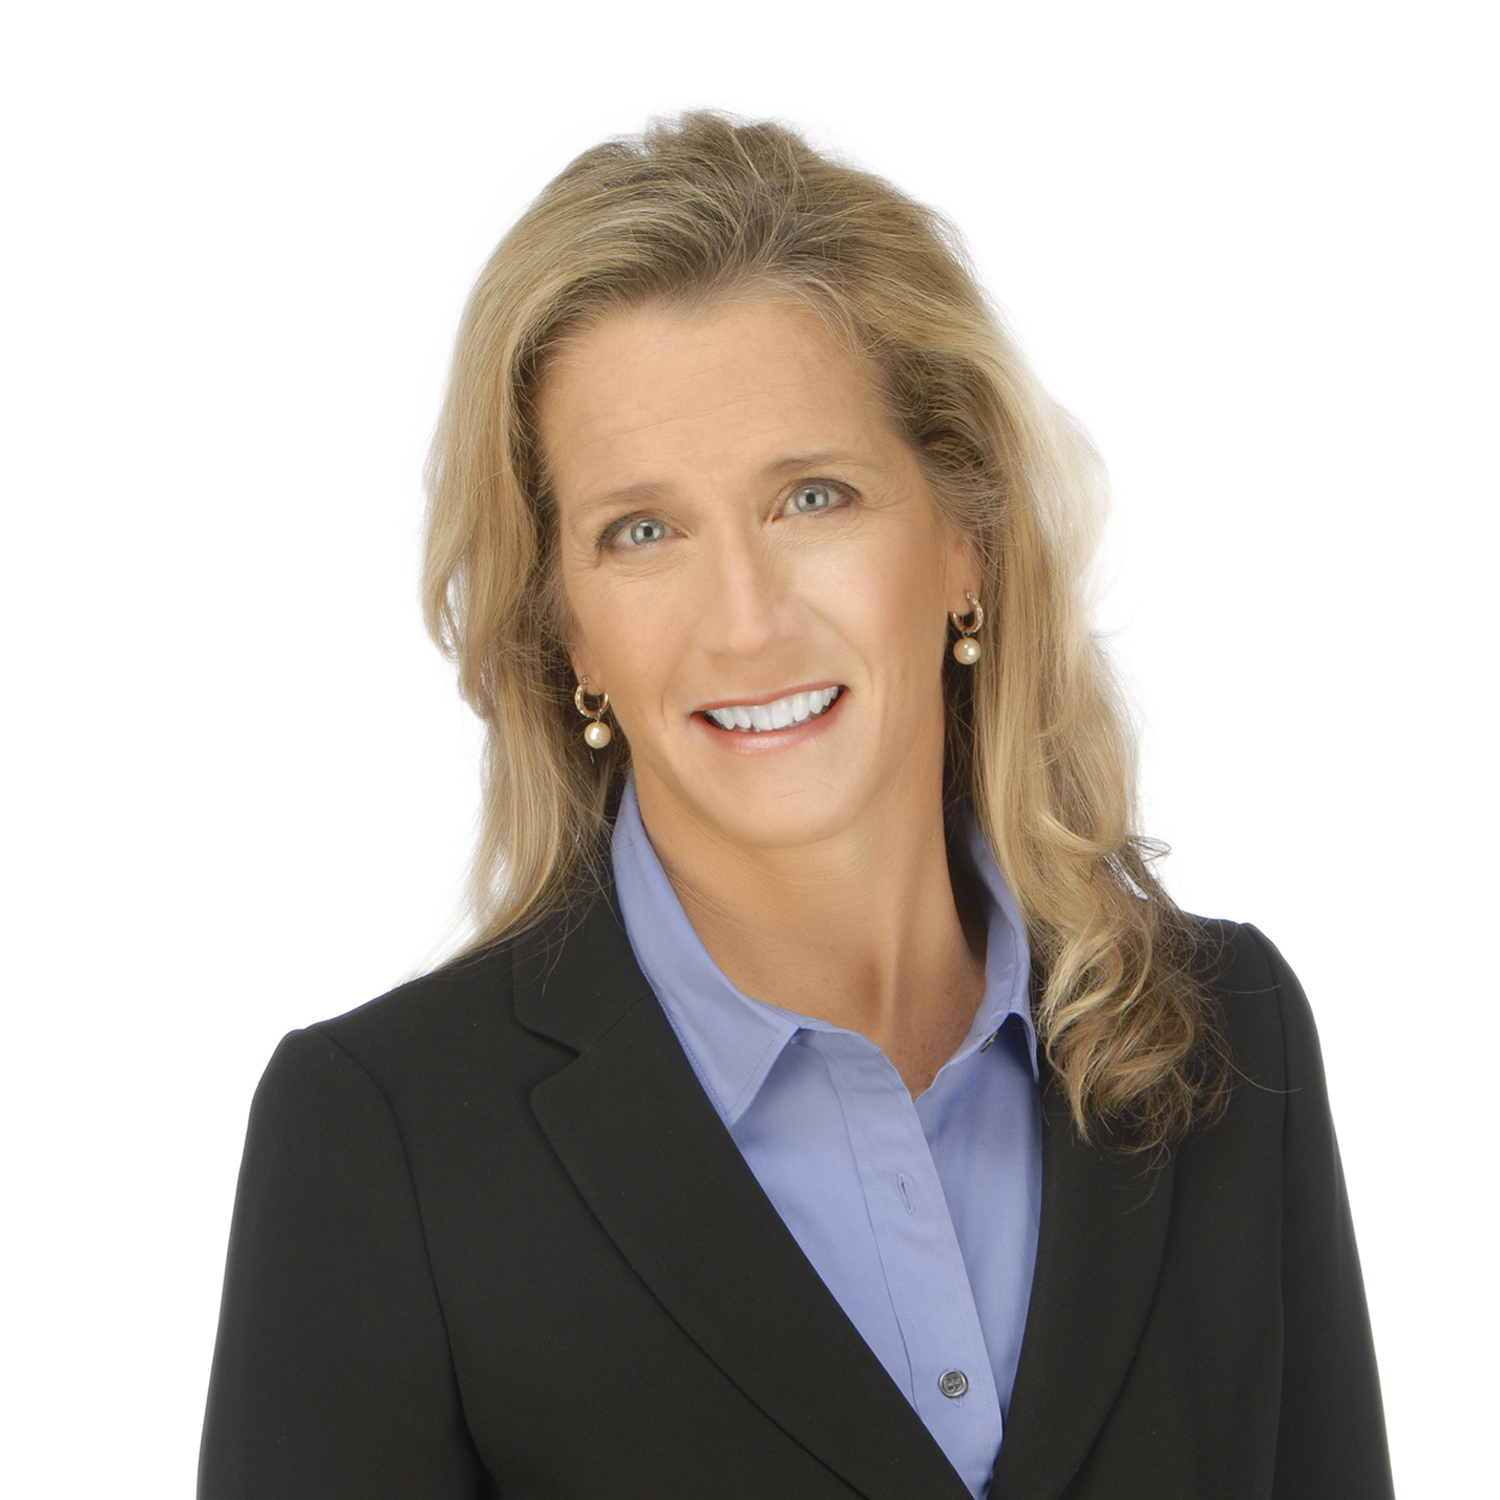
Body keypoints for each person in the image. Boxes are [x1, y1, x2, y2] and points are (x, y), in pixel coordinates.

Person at [198, 114, 1393, 1500]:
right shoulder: (384, 1144)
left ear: (966, 539)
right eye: (643, 531)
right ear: (566, 625)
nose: (747, 622)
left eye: (813, 497)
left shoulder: (1224, 1036)